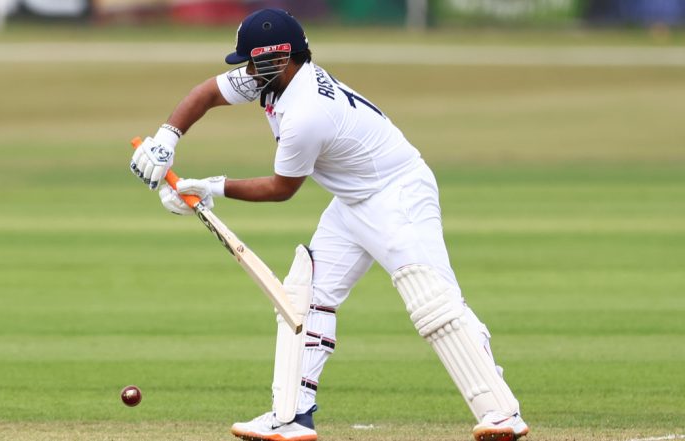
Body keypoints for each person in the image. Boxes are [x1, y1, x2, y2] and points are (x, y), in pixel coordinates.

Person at [130, 8, 529, 441]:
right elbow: (206, 93)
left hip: (398, 194)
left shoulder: (306, 112)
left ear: (275, 59)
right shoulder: (276, 77)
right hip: (354, 200)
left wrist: (210, 188)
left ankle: (502, 414)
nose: (244, 71)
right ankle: (292, 417)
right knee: (303, 296)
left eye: (250, 61)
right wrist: (165, 140)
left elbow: (283, 188)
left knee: (433, 302)